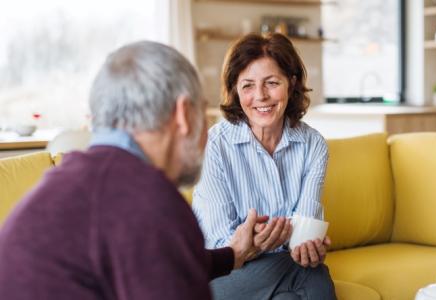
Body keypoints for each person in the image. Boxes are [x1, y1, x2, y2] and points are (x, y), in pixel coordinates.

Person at [0, 41, 262, 300]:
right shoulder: (150, 201)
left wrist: (232, 255)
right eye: (202, 112)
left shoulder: (70, 182)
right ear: (183, 115)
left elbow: (153, 259)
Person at [192, 33, 337, 299]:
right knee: (311, 275)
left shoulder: (313, 145)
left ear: (291, 83)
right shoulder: (213, 146)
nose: (260, 96)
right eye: (248, 85)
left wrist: (306, 248)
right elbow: (220, 243)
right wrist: (261, 244)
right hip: (225, 276)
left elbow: (303, 231)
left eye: (272, 83)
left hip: (277, 275)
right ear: (235, 89)